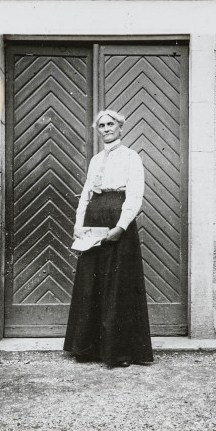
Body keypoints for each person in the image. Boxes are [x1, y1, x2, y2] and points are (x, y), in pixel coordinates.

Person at [63, 109, 154, 368]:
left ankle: (120, 351)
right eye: (101, 125)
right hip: (94, 221)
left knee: (118, 284)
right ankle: (88, 348)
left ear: (120, 127)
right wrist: (79, 224)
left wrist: (122, 226)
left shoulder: (131, 157)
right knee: (92, 283)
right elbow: (86, 193)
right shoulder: (94, 160)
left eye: (110, 124)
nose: (106, 128)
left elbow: (135, 195)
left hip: (117, 219)